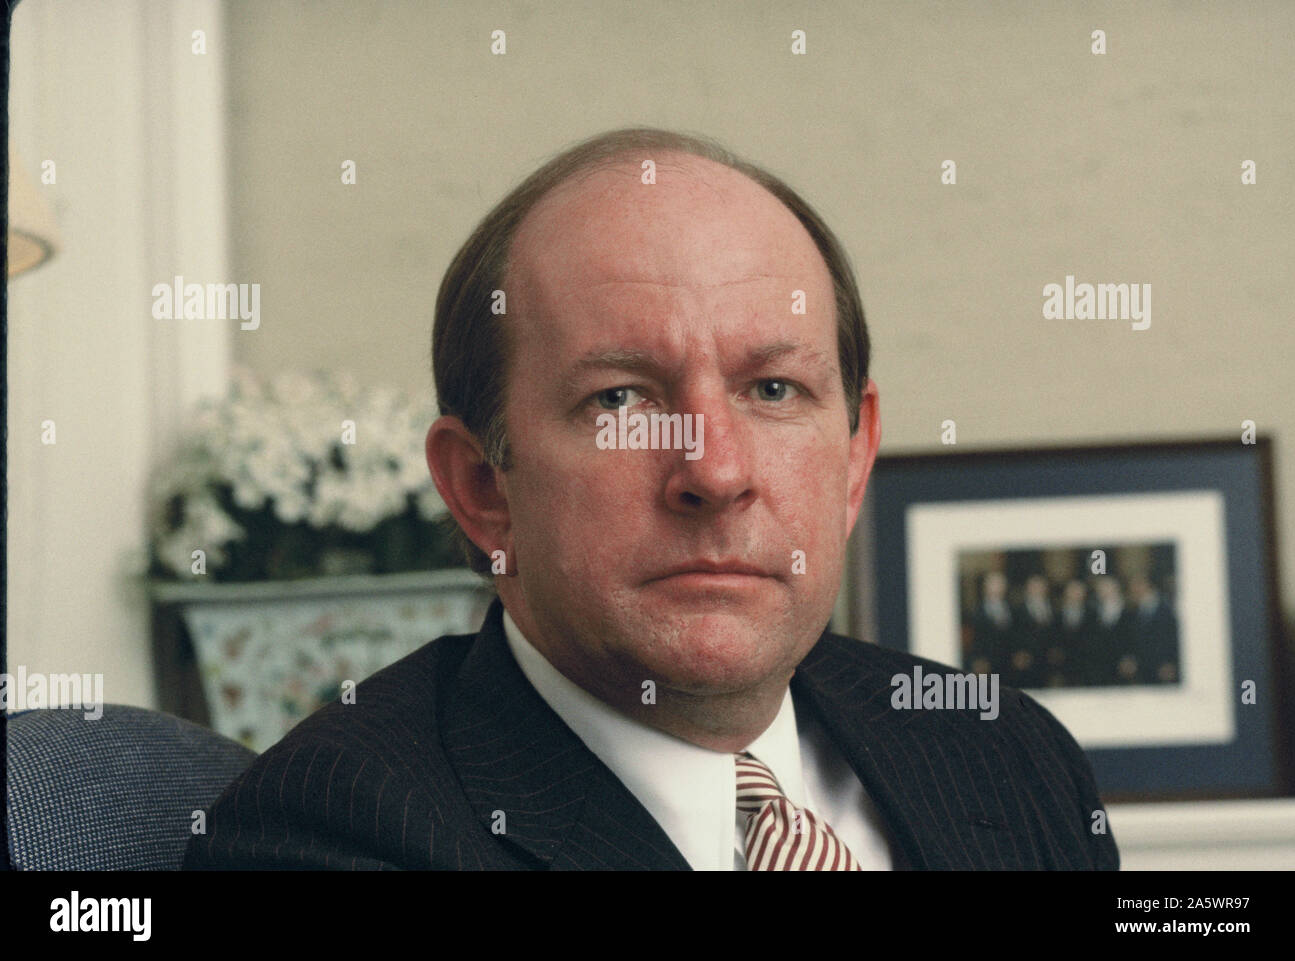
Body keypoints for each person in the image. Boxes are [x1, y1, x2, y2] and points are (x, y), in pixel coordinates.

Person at [185, 128, 1119, 871]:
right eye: (619, 399)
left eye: (774, 390)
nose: (714, 472)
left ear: (855, 455)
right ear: (482, 489)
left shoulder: (1002, 748)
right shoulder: (333, 829)